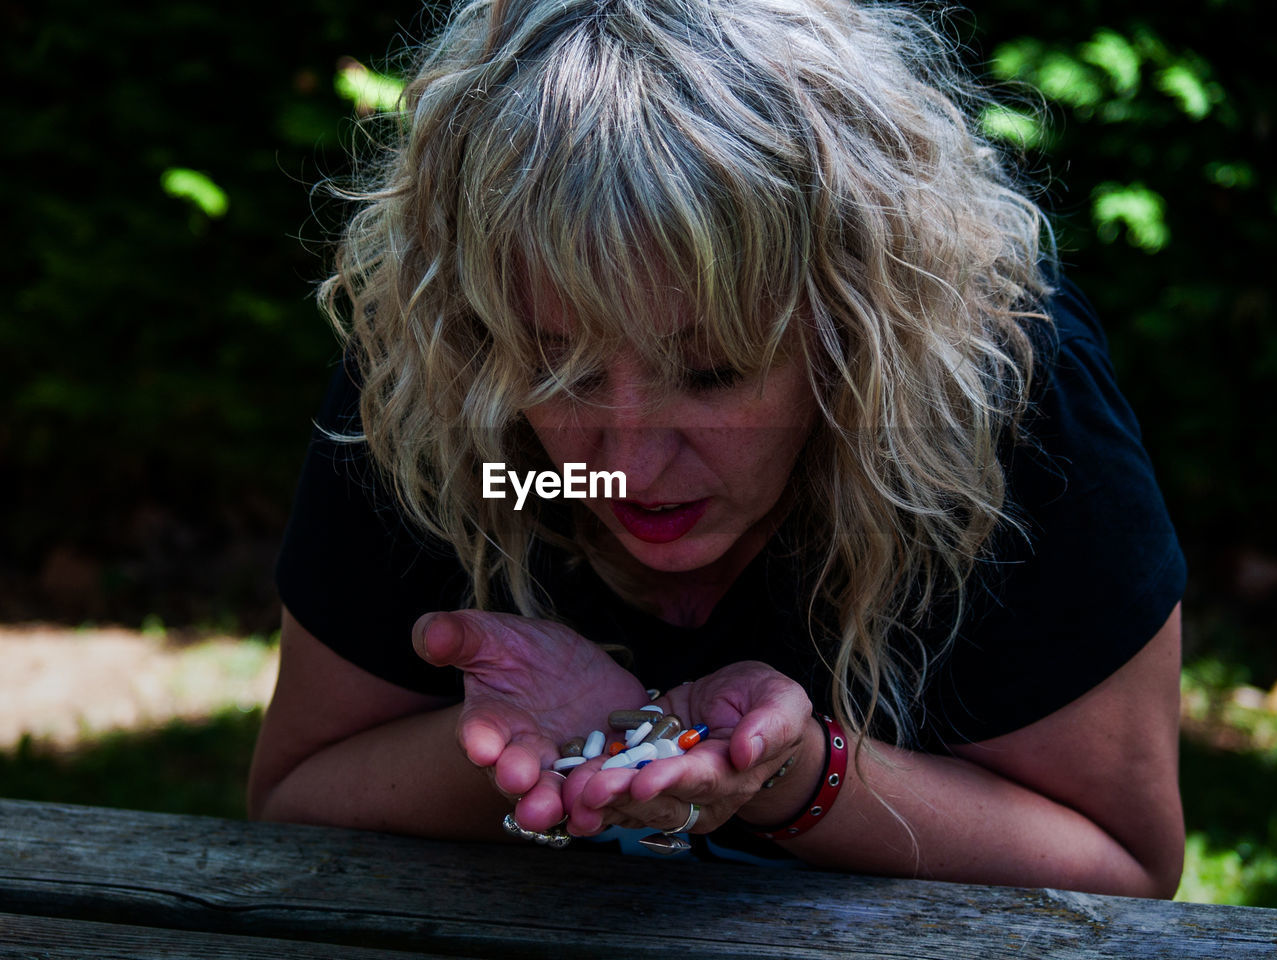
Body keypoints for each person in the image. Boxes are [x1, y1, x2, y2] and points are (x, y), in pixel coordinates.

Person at [247, 0, 1187, 896]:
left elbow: (1124, 862)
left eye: (711, 374)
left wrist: (800, 775)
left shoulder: (1003, 392)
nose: (625, 467)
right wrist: (556, 753)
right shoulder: (437, 371)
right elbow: (296, 795)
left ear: (854, 326)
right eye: (558, 368)